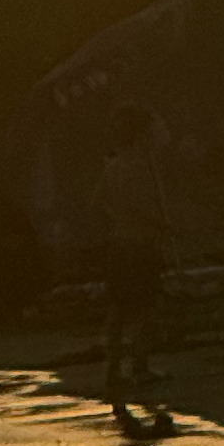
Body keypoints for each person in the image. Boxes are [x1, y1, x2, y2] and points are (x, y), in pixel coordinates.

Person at [95, 104, 170, 415]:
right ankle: (138, 366)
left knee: (120, 308)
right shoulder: (135, 167)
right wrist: (157, 224)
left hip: (120, 242)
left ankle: (115, 369)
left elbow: (100, 201)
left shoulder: (116, 165)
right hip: (138, 244)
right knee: (143, 307)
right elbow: (138, 204)